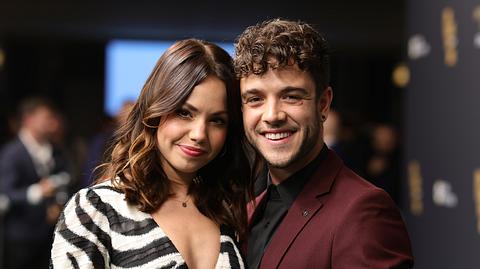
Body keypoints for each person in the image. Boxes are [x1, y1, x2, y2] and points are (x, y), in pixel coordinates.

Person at [50, 39, 251, 268]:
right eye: (184, 113)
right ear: (155, 112)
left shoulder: (228, 209)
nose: (199, 134)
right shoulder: (96, 209)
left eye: (217, 120)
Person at [234, 18, 414, 269]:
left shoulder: (364, 213)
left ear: (323, 104)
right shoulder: (248, 207)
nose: (272, 115)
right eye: (255, 99)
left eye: (291, 96)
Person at [0, 97, 70, 269]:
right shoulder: (12, 152)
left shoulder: (54, 149)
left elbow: (65, 180)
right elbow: (6, 192)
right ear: (29, 119)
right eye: (45, 117)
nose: (50, 122)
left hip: (49, 233)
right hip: (21, 236)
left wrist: (57, 203)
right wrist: (37, 192)